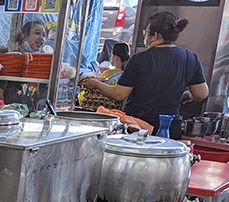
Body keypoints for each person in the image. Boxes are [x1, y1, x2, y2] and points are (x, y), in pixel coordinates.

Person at [79, 11, 208, 128]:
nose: (145, 38)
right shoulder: (190, 58)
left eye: (146, 33)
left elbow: (119, 94)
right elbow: (201, 94)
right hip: (169, 126)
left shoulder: (140, 59)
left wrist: (95, 83)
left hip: (138, 127)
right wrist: (186, 94)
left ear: (155, 36)